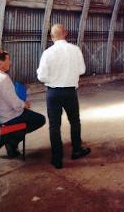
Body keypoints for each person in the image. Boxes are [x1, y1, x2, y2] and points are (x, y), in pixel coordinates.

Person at [37, 24, 90, 169]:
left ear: (51, 36)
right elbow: (82, 70)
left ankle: (57, 159)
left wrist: (52, 80)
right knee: (74, 121)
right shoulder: (75, 50)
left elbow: (41, 76)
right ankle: (77, 150)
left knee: (54, 126)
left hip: (53, 93)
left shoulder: (47, 53)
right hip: (70, 92)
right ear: (65, 33)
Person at [0, 50, 46, 158]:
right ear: (1, 62)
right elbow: (15, 105)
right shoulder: (3, 79)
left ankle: (10, 143)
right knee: (39, 119)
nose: (10, 63)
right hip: (8, 117)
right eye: (8, 60)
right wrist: (24, 104)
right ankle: (8, 139)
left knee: (26, 114)